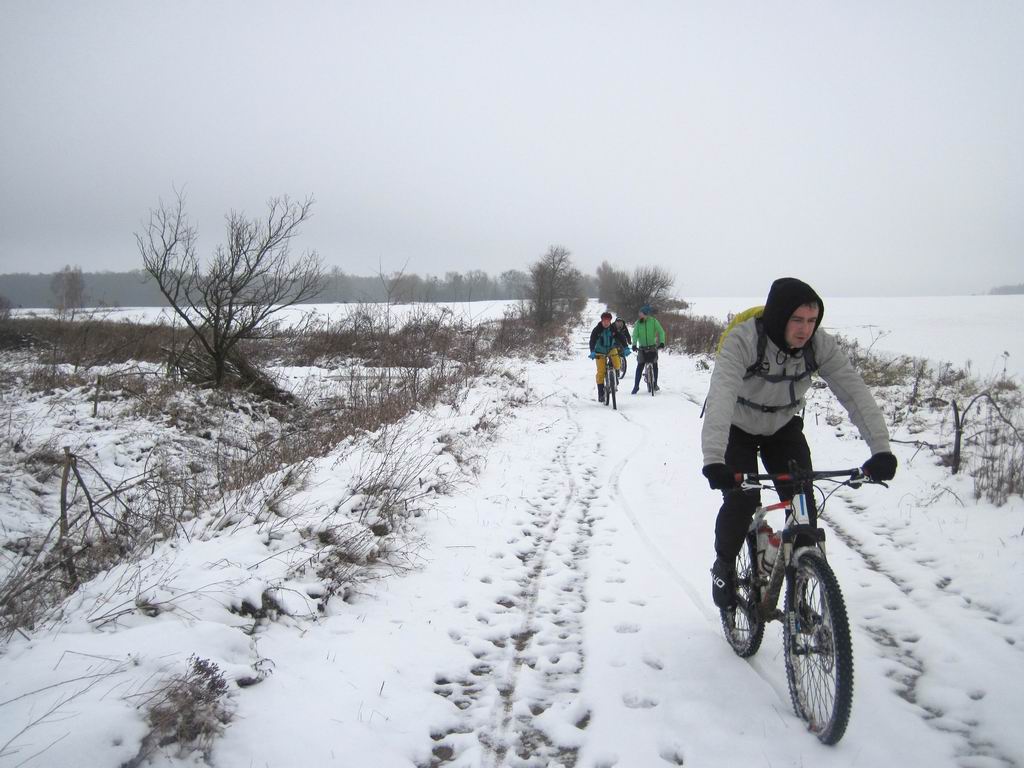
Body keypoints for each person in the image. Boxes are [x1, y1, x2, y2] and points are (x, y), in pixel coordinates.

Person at [700, 277, 897, 609]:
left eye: (811, 320)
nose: (805, 329)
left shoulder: (819, 345)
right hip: (737, 426)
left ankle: (800, 590)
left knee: (803, 506)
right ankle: (724, 566)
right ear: (779, 316)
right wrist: (713, 459)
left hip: (782, 428)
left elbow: (854, 392)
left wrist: (881, 450)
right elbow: (721, 397)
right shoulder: (744, 340)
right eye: (797, 319)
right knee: (742, 501)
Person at [589, 311, 631, 403]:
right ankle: (601, 394)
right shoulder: (597, 329)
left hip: (611, 349)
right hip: (600, 352)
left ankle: (614, 377)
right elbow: (592, 341)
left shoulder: (613, 329)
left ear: (610, 321)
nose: (606, 323)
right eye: (604, 321)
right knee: (601, 372)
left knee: (617, 364)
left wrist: (626, 347)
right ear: (602, 320)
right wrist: (592, 351)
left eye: (608, 321)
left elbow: (621, 337)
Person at [631, 304, 666, 394]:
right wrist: (634, 344)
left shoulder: (654, 321)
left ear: (646, 314)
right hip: (642, 347)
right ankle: (636, 386)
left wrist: (662, 342)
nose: (639, 315)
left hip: (652, 347)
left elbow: (661, 332)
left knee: (655, 365)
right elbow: (635, 335)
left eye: (641, 313)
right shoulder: (638, 323)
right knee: (640, 366)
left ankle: (655, 384)